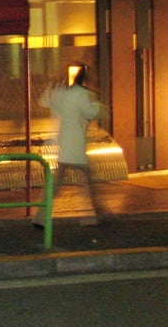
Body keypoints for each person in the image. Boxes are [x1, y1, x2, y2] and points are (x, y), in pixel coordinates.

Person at [33, 63, 110, 227]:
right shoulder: (80, 93)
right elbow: (90, 112)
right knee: (89, 179)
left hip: (64, 140)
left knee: (57, 181)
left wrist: (51, 88)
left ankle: (41, 216)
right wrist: (98, 105)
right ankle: (100, 212)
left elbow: (43, 102)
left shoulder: (60, 92)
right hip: (75, 141)